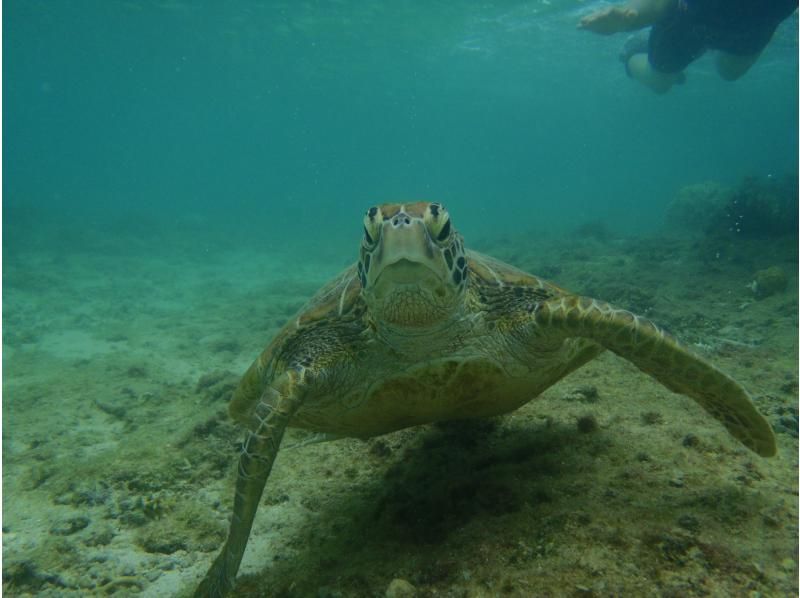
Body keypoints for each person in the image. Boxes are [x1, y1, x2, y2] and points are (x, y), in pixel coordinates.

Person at [579, 0, 797, 93]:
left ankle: (706, 47)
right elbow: (659, 3)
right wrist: (629, 18)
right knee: (661, 82)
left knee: (730, 73)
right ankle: (631, 52)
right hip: (686, 25)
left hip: (751, 32)